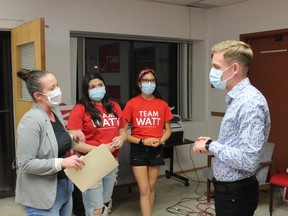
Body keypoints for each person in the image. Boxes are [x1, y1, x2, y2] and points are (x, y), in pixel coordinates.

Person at [193, 40, 271, 216]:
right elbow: (236, 144)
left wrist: (210, 145)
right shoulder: (237, 99)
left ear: (234, 69)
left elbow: (248, 160)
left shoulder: (249, 103)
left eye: (216, 66)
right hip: (229, 192)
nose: (212, 72)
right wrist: (211, 143)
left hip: (236, 194)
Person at [15, 69, 85, 216]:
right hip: (43, 196)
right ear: (38, 96)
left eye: (57, 85)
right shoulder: (31, 121)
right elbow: (25, 163)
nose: (57, 90)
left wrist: (72, 138)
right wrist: (62, 163)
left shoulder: (55, 112)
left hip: (65, 187)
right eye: (52, 88)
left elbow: (52, 142)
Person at [66, 72, 127, 216]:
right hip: (90, 163)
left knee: (105, 203)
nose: (97, 89)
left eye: (100, 85)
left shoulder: (114, 106)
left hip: (111, 162)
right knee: (95, 209)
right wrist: (100, 149)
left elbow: (123, 130)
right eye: (92, 87)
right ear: (86, 90)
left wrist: (121, 138)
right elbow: (73, 144)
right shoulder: (79, 109)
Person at [122, 68, 173, 216]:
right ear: (139, 84)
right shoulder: (132, 104)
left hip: (156, 149)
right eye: (145, 81)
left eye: (152, 80)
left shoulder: (162, 104)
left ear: (156, 83)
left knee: (151, 186)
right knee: (144, 189)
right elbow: (123, 133)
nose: (149, 83)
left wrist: (160, 140)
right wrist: (143, 141)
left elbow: (168, 130)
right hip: (138, 149)